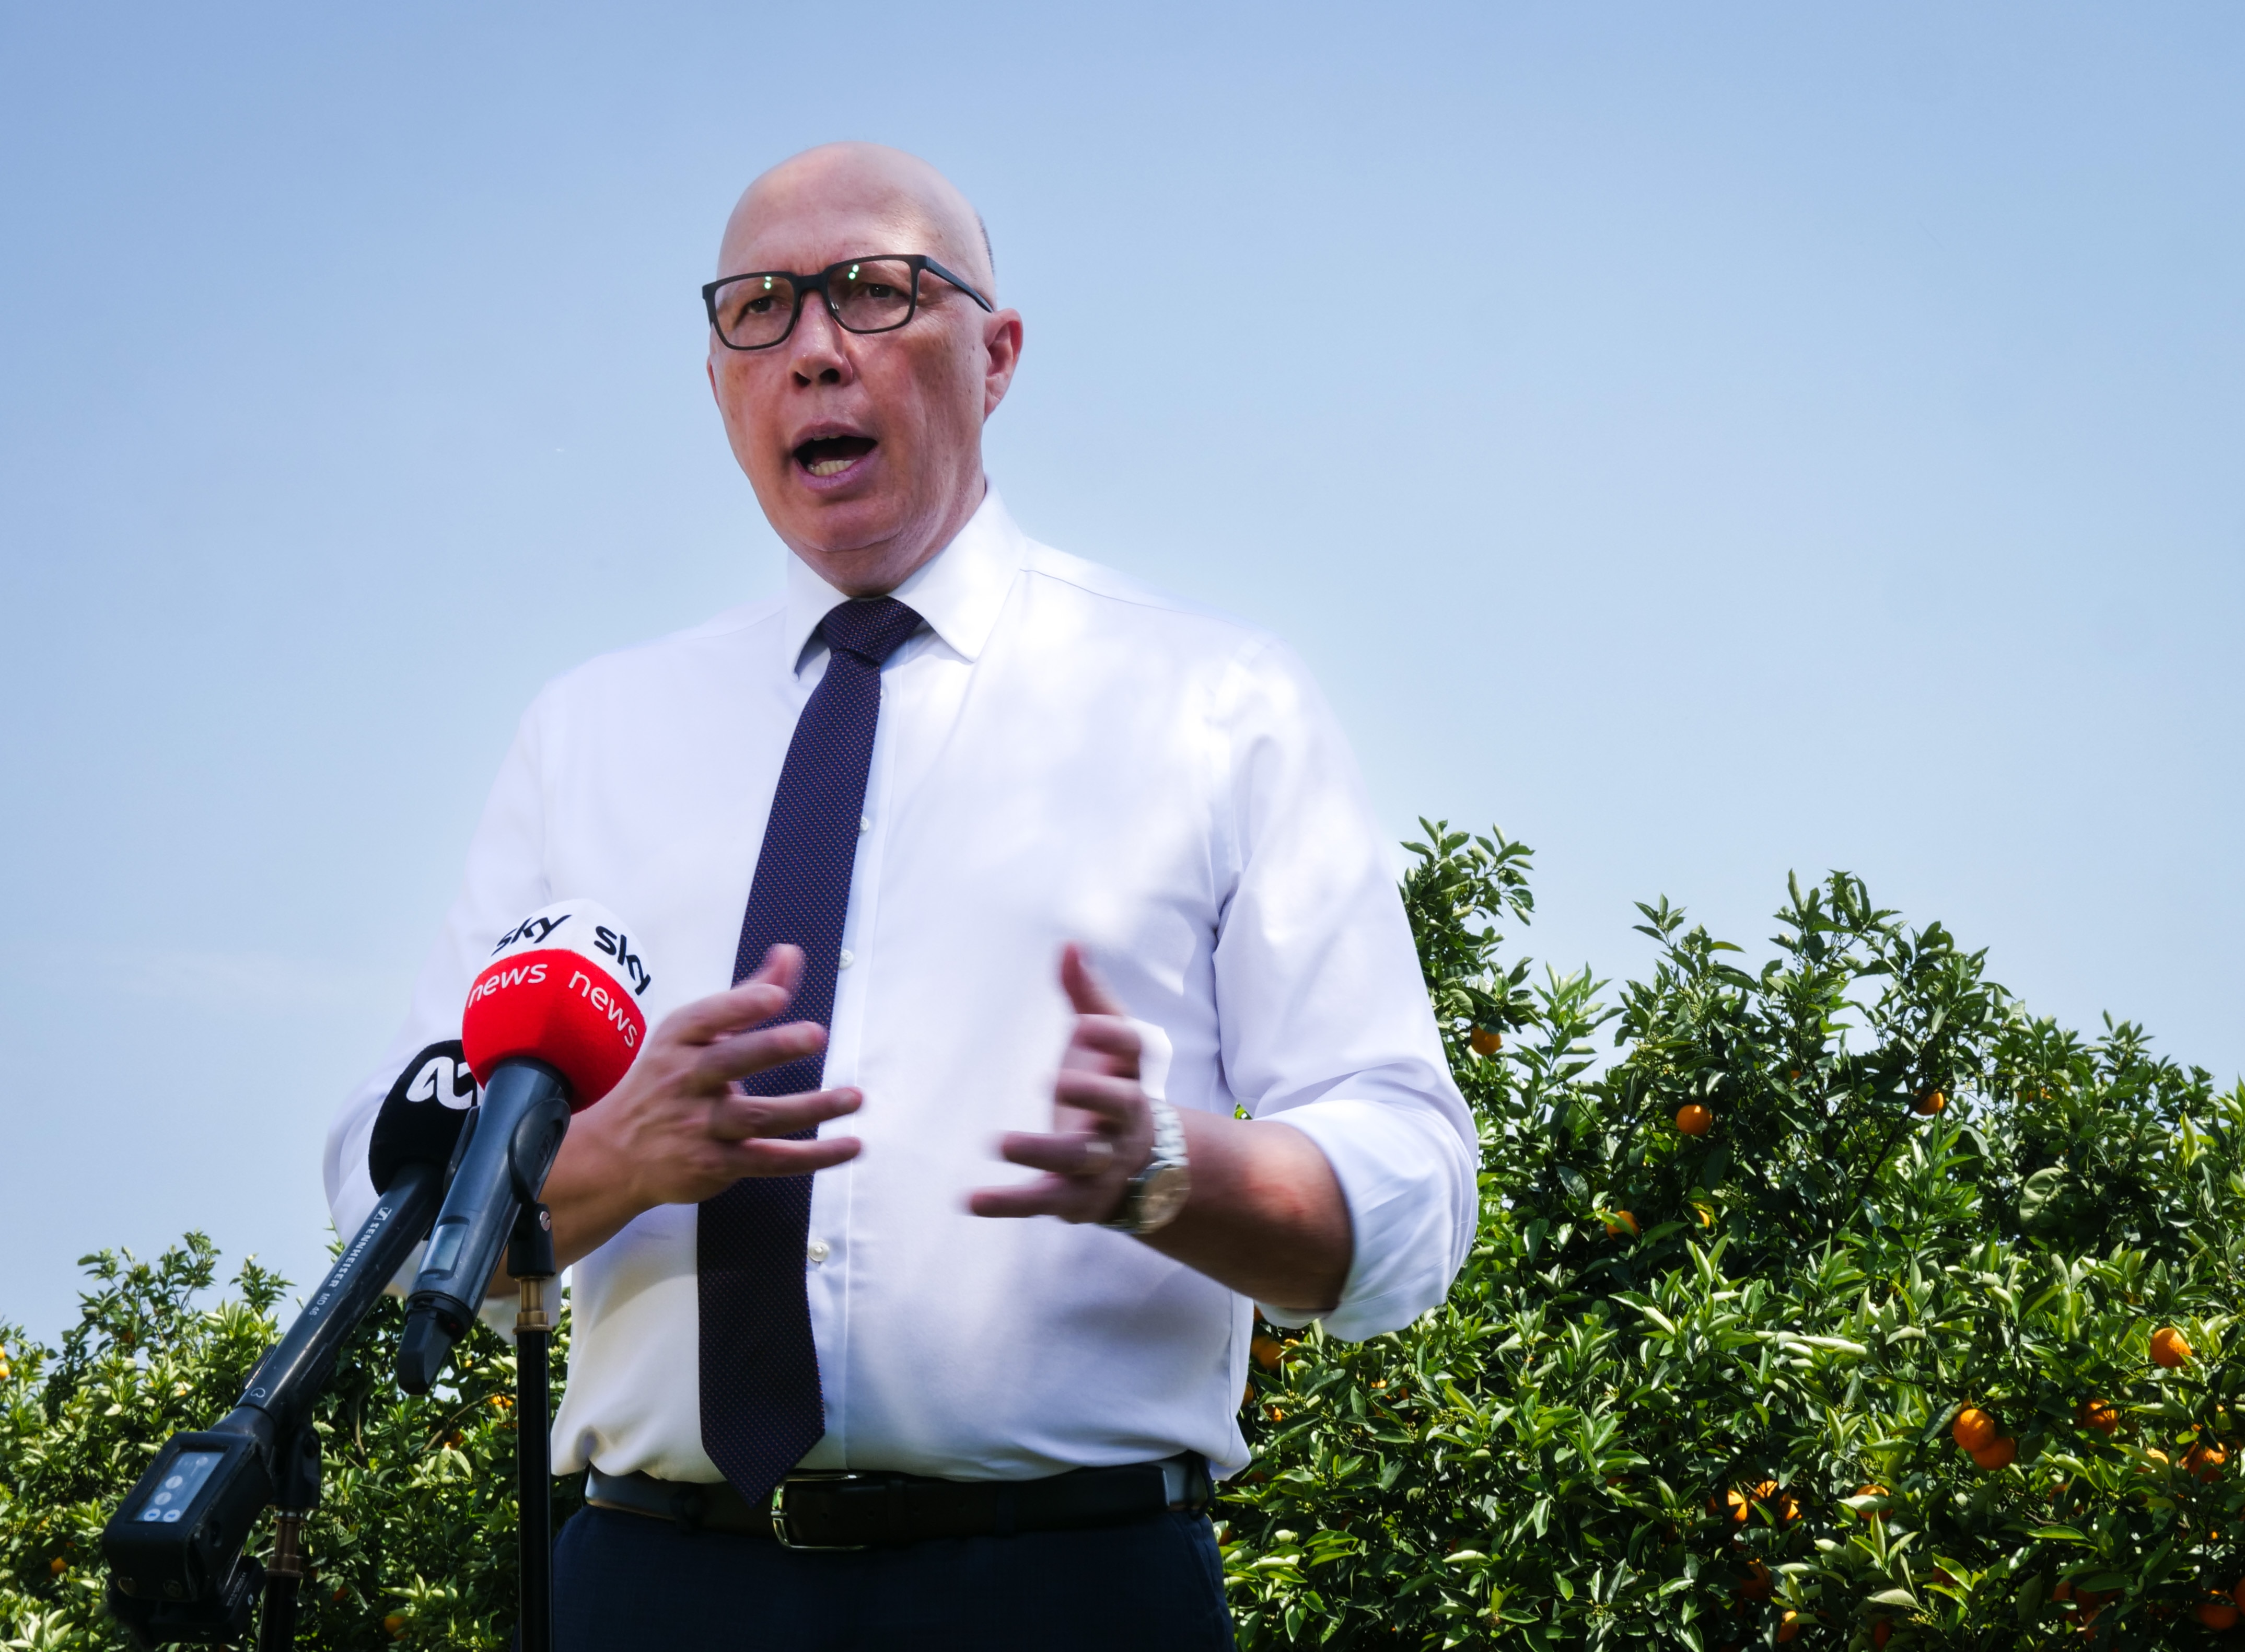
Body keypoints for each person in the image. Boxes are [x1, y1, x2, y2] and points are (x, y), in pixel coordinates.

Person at [323, 142, 1475, 1650]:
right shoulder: (586, 734)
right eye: (759, 309)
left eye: (874, 292)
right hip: (651, 1581)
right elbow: (382, 1197)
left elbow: (1408, 1199)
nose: (812, 348)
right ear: (721, 385)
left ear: (994, 355)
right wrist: (613, 1154)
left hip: (1068, 1586)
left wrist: (1167, 1169)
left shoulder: (1213, 699)